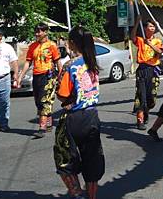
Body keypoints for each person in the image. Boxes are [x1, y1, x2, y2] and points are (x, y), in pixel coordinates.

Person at [53, 26, 105, 199]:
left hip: (74, 118)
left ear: (72, 43)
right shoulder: (93, 63)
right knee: (92, 161)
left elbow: (62, 94)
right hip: (92, 116)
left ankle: (76, 193)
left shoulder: (71, 65)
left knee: (65, 159)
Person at [18, 23, 62, 137]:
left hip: (48, 76)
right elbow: (28, 62)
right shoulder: (32, 46)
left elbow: (58, 61)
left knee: (44, 100)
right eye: (36, 31)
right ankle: (48, 122)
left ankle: (42, 127)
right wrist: (21, 76)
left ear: (45, 32)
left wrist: (61, 76)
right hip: (36, 76)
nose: (37, 34)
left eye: (39, 31)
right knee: (38, 101)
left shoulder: (52, 45)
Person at [131, 17, 163, 130]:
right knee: (141, 96)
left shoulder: (158, 41)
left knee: (151, 98)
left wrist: (149, 44)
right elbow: (132, 37)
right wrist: (136, 22)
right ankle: (140, 120)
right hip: (142, 69)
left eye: (153, 26)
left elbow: (159, 52)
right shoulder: (140, 40)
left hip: (153, 70)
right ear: (144, 28)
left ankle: (146, 111)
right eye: (150, 26)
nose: (152, 28)